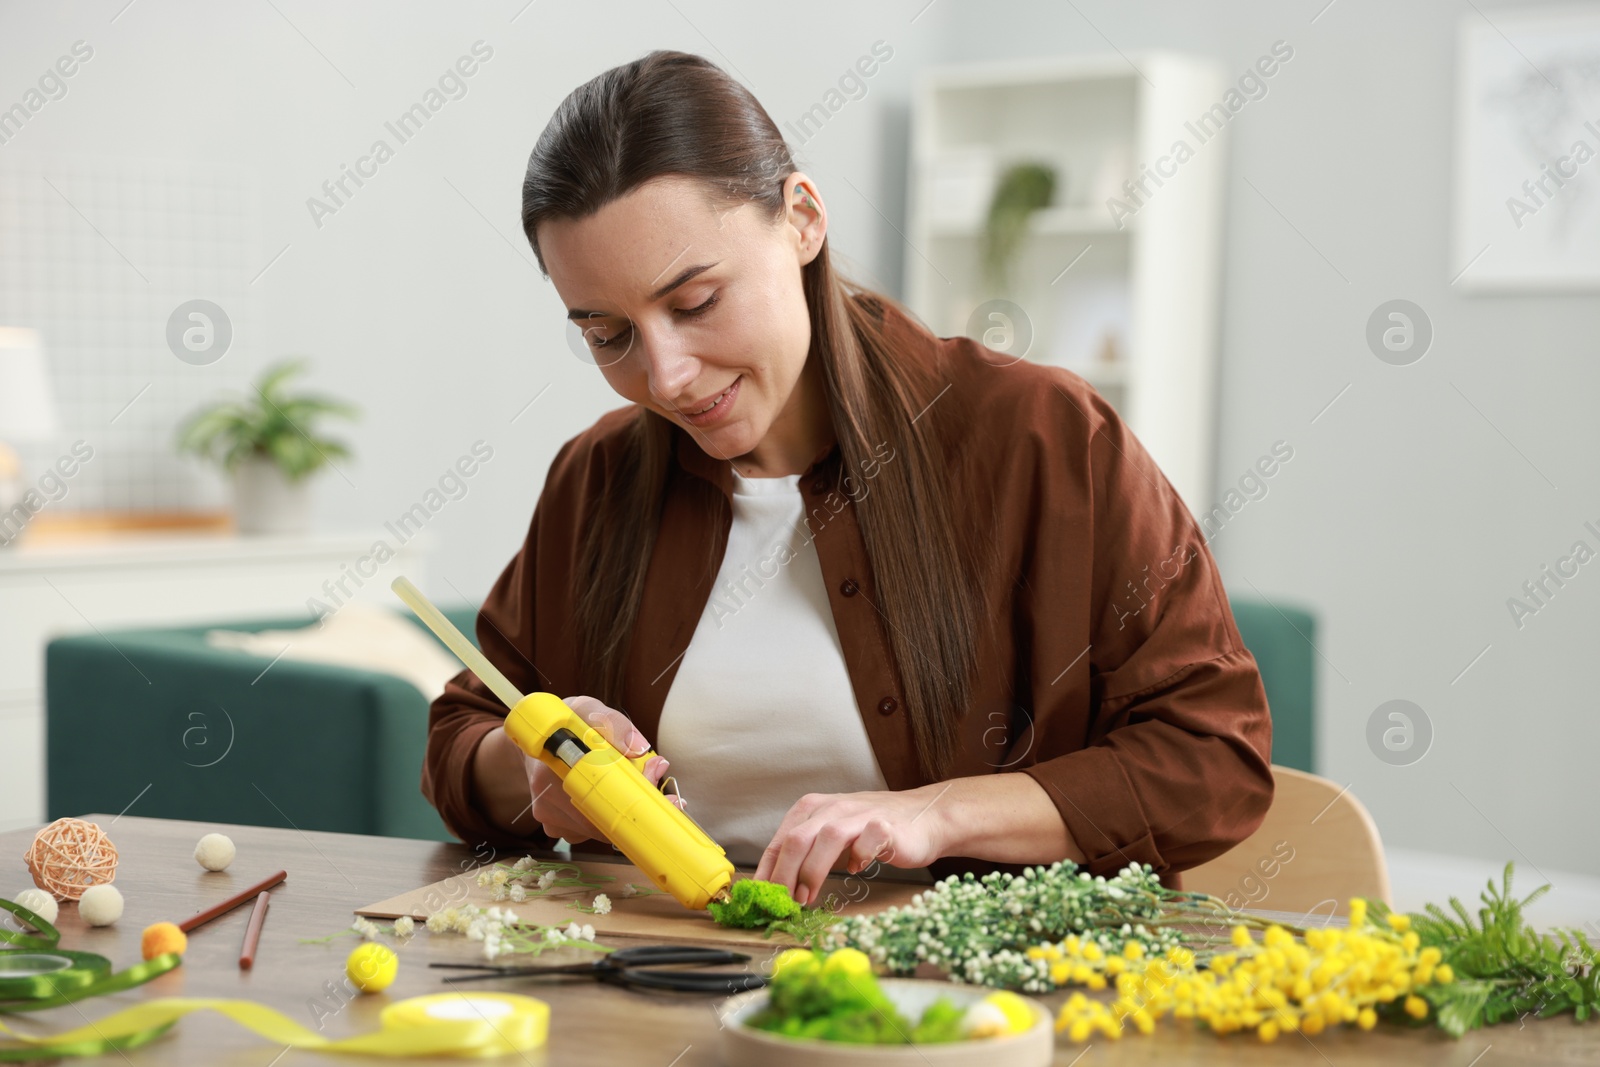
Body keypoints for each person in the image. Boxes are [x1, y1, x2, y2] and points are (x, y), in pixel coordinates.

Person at [422, 49, 1274, 908]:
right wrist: (534, 767)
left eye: (695, 303)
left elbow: (1212, 760)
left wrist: (938, 815)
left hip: (969, 1017)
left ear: (801, 219)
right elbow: (464, 733)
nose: (668, 376)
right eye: (609, 336)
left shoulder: (1046, 441)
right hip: (652, 993)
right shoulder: (597, 480)